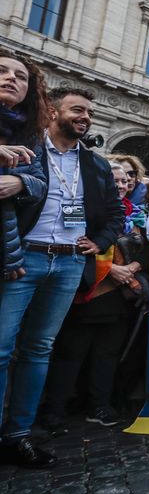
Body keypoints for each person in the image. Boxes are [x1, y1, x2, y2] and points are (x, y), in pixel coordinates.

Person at [0, 87, 123, 468]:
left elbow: (115, 215)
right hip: (25, 260)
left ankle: (17, 436)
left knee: (38, 350)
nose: (85, 117)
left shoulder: (96, 164)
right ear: (52, 111)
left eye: (88, 112)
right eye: (77, 110)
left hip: (69, 263)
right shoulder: (25, 149)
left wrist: (98, 241)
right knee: (2, 348)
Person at [40, 162, 147, 430]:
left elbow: (146, 249)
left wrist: (133, 268)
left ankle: (99, 405)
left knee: (107, 354)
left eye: (125, 180)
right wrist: (111, 268)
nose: (121, 185)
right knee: (71, 354)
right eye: (115, 180)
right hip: (85, 294)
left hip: (119, 299)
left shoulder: (135, 214)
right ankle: (56, 409)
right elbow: (71, 242)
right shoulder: (78, 207)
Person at [0, 51, 48, 282]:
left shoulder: (28, 135)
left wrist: (20, 182)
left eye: (21, 77)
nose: (11, 78)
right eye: (2, 71)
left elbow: (40, 184)